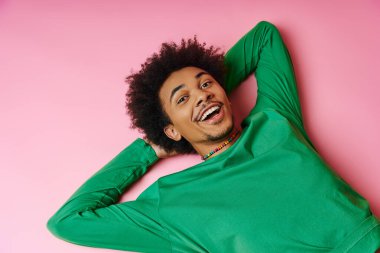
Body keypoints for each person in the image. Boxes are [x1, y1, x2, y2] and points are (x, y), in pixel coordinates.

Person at [47, 21, 380, 252]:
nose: (202, 95)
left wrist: (210, 90)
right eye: (183, 98)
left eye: (206, 83)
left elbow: (264, 37)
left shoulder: (275, 120)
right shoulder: (172, 202)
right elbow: (67, 221)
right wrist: (150, 148)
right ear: (171, 129)